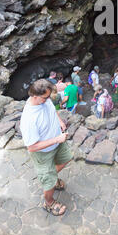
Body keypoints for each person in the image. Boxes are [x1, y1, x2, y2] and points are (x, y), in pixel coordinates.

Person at [20, 79, 72, 216]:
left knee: (67, 158)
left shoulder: (44, 98)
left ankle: (51, 177)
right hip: (43, 152)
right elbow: (31, 147)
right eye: (46, 97)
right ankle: (49, 203)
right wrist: (57, 139)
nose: (49, 99)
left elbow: (51, 108)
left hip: (57, 141)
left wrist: (60, 121)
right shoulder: (29, 119)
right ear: (34, 96)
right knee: (48, 182)